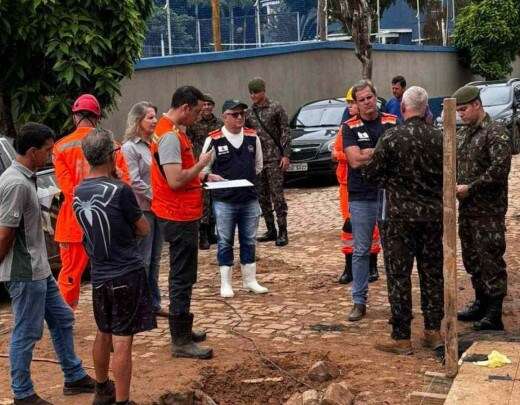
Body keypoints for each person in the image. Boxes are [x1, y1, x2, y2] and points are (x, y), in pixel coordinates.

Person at [0, 123, 94, 405]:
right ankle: (23, 393)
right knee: (26, 333)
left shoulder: (25, 176)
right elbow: (5, 231)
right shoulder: (15, 183)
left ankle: (74, 376)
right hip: (25, 272)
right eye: (47, 151)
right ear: (32, 151)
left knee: (63, 319)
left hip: (39, 269)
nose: (51, 156)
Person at [73, 128, 155, 405]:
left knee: (103, 331)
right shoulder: (120, 191)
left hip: (99, 274)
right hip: (126, 272)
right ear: (111, 155)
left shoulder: (78, 191)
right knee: (123, 339)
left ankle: (101, 389)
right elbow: (143, 228)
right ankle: (123, 399)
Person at [362, 86, 444, 354]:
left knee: (399, 276)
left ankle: (401, 337)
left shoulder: (392, 138)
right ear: (426, 109)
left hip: (398, 219)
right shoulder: (440, 138)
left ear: (405, 108)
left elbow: (371, 175)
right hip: (432, 217)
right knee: (432, 273)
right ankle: (433, 331)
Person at [150, 85, 214, 359]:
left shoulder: (169, 130)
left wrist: (203, 178)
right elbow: (175, 180)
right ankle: (180, 340)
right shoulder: (169, 137)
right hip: (177, 214)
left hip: (180, 211)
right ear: (185, 108)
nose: (199, 117)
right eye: (197, 112)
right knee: (181, 277)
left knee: (184, 275)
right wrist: (201, 165)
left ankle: (183, 329)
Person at [53, 94, 129, 309]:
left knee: (69, 275)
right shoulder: (112, 145)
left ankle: (64, 318)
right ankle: (113, 313)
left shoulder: (60, 147)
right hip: (108, 222)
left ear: (75, 116)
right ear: (97, 116)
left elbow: (68, 189)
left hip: (74, 223)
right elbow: (124, 182)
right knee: (111, 272)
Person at [453, 85, 512, 331]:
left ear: (477, 105)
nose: (461, 115)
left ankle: (494, 312)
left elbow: (499, 170)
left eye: (464, 109)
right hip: (468, 210)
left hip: (488, 211)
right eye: (457, 111)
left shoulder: (495, 132)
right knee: (472, 259)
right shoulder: (465, 134)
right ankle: (481, 301)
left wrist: (472, 187)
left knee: (490, 259)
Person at [200, 99, 268, 298]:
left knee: (249, 240)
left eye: (242, 114)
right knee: (225, 240)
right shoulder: (214, 139)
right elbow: (203, 168)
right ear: (224, 116)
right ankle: (226, 283)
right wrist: (209, 176)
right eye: (234, 114)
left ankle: (250, 280)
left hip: (248, 198)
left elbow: (258, 165)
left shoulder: (251, 136)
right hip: (224, 200)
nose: (239, 118)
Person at [343, 80, 398, 322]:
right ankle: (359, 301)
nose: (366, 102)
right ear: (355, 103)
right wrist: (382, 152)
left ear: (376, 97)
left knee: (394, 250)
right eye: (361, 99)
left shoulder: (392, 122)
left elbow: (400, 154)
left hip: (389, 193)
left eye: (369, 97)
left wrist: (368, 152)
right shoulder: (349, 126)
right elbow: (354, 160)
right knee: (361, 250)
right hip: (361, 195)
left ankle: (397, 302)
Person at [122, 101, 167, 317]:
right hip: (144, 210)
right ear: (138, 120)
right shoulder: (129, 147)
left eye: (155, 116)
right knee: (144, 259)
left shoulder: (154, 143)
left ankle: (154, 302)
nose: (155, 121)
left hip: (158, 208)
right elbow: (134, 180)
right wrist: (155, 197)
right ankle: (139, 304)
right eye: (150, 117)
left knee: (156, 259)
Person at [333, 88, 381, 285]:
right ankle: (349, 266)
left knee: (375, 229)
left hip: (373, 185)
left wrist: (362, 153)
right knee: (348, 227)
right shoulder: (346, 128)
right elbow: (336, 153)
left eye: (353, 102)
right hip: (348, 184)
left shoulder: (380, 123)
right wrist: (356, 154)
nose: (351, 106)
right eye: (352, 103)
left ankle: (373, 265)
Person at [245, 77, 290, 246]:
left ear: (263, 91)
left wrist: (286, 155)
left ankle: (283, 231)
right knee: (262, 197)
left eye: (256, 92)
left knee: (277, 196)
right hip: (258, 160)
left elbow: (286, 131)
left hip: (275, 159)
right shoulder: (249, 113)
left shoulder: (275, 108)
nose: (253, 96)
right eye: (251, 93)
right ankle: (271, 229)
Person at [187, 94, 224, 250]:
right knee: (203, 201)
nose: (207, 107)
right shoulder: (193, 124)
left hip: (215, 165)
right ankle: (203, 235)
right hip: (199, 166)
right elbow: (188, 143)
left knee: (214, 198)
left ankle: (211, 232)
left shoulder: (220, 124)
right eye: (205, 104)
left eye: (210, 104)